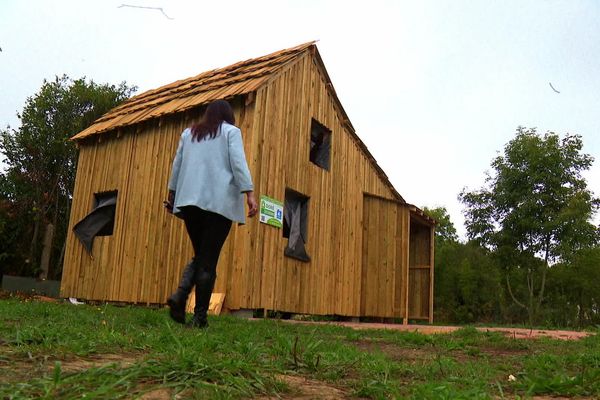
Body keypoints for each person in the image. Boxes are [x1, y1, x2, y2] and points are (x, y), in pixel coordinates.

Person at [165, 99, 257, 328]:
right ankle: (198, 316)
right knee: (208, 259)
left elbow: (177, 164)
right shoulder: (230, 132)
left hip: (189, 203)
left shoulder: (189, 134)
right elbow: (238, 162)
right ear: (228, 116)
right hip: (218, 204)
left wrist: (173, 194)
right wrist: (249, 193)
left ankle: (181, 296)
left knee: (202, 255)